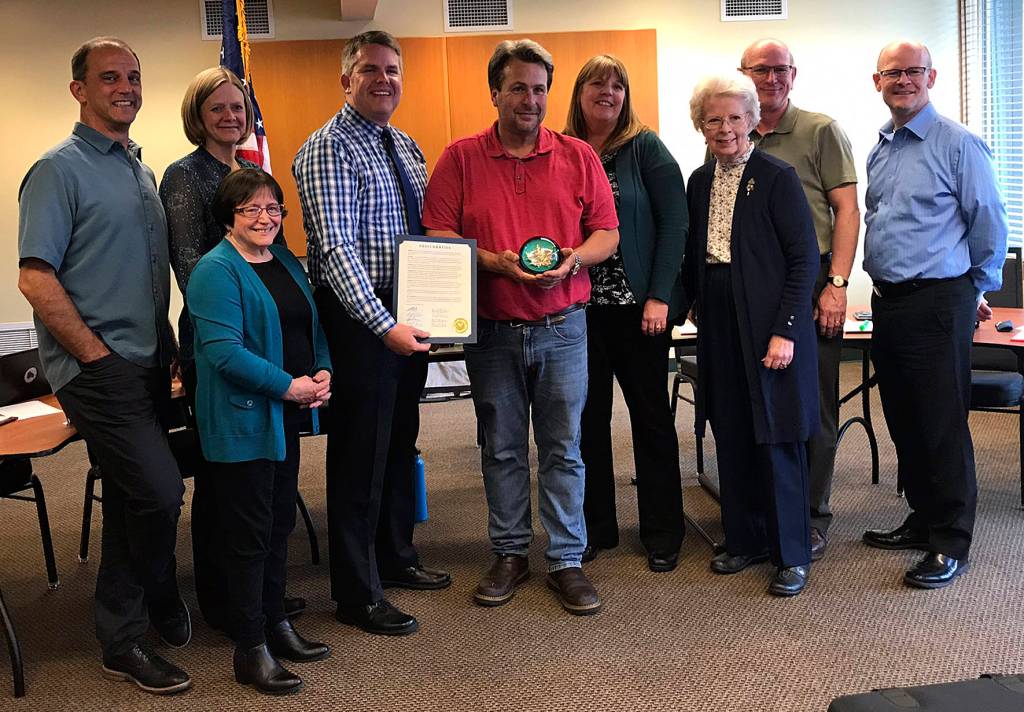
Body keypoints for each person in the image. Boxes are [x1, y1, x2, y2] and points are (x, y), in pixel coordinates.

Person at [17, 37, 190, 694]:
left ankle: (142, 611)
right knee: (159, 490)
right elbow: (36, 278)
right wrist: (93, 353)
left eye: (134, 77)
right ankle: (125, 633)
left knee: (129, 493)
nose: (126, 87)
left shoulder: (136, 169)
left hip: (147, 362)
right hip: (97, 369)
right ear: (79, 90)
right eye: (110, 76)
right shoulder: (59, 170)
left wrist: (163, 346)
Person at [423, 39, 620, 615]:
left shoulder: (578, 155)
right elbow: (438, 235)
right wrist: (494, 261)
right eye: (517, 87)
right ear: (495, 93)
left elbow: (606, 234)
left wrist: (575, 259)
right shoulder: (459, 158)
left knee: (564, 447)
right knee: (503, 447)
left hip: (564, 326)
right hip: (492, 329)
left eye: (539, 89)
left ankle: (566, 559)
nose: (529, 100)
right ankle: (509, 552)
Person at [293, 30, 450, 638]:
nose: (384, 79)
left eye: (393, 70)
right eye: (370, 70)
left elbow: (428, 233)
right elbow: (334, 251)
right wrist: (385, 326)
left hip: (408, 315)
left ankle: (395, 556)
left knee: (398, 441)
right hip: (363, 323)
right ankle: (357, 593)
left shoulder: (404, 144)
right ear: (345, 80)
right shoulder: (329, 148)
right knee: (360, 455)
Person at [158, 66, 304, 630]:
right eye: (217, 107)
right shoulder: (183, 175)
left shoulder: (250, 172)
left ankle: (260, 597)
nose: (231, 117)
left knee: (268, 476)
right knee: (226, 481)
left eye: (238, 107)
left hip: (270, 339)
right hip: (219, 338)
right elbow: (191, 263)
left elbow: (278, 257)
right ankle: (224, 600)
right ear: (197, 115)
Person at [862, 40, 1008, 589]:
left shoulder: (959, 144)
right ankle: (923, 519)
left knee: (942, 424)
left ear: (932, 76)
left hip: (939, 301)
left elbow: (989, 224)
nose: (904, 80)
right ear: (876, 81)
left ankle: (950, 541)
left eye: (914, 71)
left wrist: (972, 291)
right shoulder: (882, 146)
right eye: (893, 73)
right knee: (904, 419)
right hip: (890, 302)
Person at [187, 169, 332, 694]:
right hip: (242, 420)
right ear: (229, 215)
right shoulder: (215, 270)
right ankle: (250, 648)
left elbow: (311, 327)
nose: (264, 218)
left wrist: (322, 372)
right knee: (248, 536)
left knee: (276, 527)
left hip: (285, 415)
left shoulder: (285, 260)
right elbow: (224, 355)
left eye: (272, 208)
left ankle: (276, 624)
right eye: (251, 209)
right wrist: (289, 387)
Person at [684, 74, 819, 597]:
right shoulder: (699, 180)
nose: (725, 129)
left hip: (770, 320)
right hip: (718, 314)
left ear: (752, 121)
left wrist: (786, 331)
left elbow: (804, 260)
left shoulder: (777, 176)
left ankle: (791, 554)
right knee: (733, 426)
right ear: (701, 125)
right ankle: (744, 540)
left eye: (735, 118)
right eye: (713, 119)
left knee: (779, 433)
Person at [563, 54, 687, 573]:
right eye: (597, 83)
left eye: (618, 84)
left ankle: (662, 531)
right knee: (586, 422)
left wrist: (660, 295)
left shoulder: (646, 147)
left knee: (651, 419)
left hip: (640, 311)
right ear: (579, 92)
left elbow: (675, 224)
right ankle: (596, 528)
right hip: (577, 311)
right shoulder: (561, 149)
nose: (608, 92)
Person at [738, 39, 860, 561]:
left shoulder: (819, 130)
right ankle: (768, 508)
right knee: (757, 405)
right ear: (742, 74)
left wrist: (836, 285)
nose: (771, 78)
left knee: (813, 407)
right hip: (750, 292)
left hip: (809, 289)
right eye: (760, 69)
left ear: (794, 74)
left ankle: (811, 514)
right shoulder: (734, 130)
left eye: (780, 69)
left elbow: (847, 211)